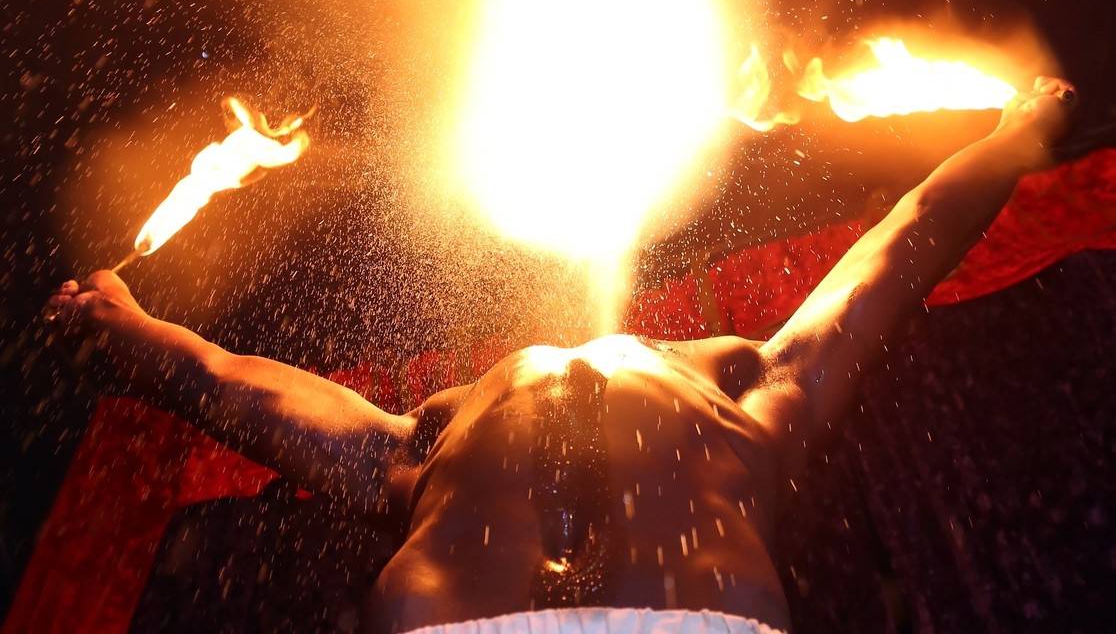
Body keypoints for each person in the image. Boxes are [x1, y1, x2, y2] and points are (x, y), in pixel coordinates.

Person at [48, 78, 1100, 634]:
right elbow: (240, 390)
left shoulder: (759, 381)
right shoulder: (430, 436)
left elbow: (895, 250)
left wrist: (1013, 135)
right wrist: (128, 324)